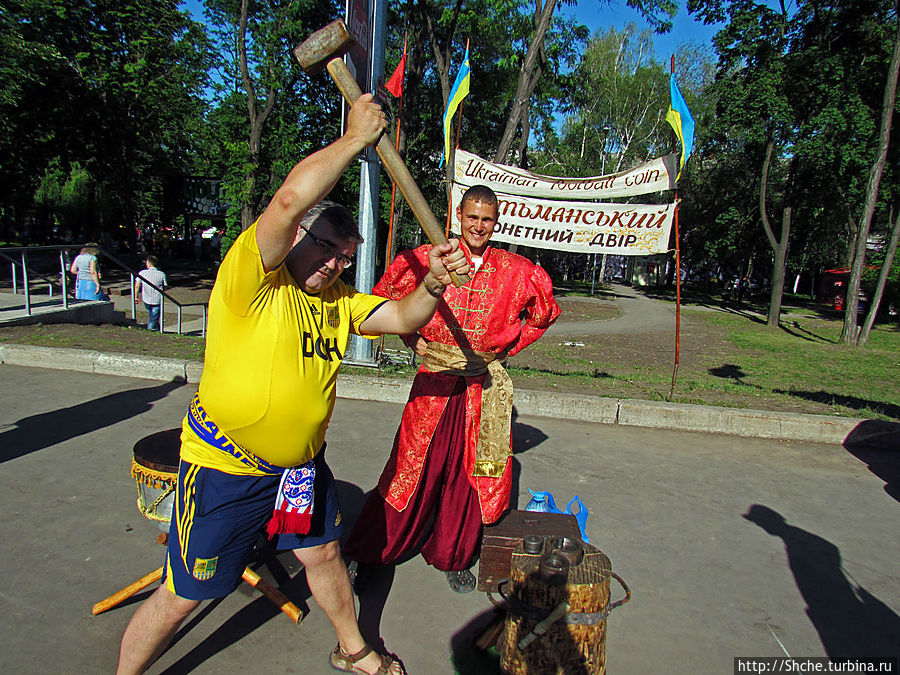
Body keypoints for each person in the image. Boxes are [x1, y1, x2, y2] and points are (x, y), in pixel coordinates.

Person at [115, 94, 469, 675]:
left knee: (324, 553)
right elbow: (286, 201)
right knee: (187, 594)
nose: (333, 263)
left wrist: (432, 281)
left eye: (344, 255)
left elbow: (405, 318)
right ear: (297, 238)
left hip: (299, 471)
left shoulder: (340, 302)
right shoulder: (251, 280)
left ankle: (353, 650)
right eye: (324, 247)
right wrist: (355, 141)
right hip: (226, 468)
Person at [344, 184, 560, 593]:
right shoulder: (429, 259)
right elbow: (382, 299)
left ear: (497, 221)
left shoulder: (517, 270)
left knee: (467, 474)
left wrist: (504, 348)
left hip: (481, 387)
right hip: (433, 382)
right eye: (472, 216)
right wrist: (411, 338)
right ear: (458, 215)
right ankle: (370, 549)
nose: (479, 225)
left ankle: (452, 555)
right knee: (409, 468)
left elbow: (544, 313)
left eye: (487, 218)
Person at [134, 255, 168, 331]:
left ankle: (155, 329)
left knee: (153, 316)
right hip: (158, 299)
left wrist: (136, 296)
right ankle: (151, 330)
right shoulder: (161, 274)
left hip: (146, 298)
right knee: (154, 317)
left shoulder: (142, 273)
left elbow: (137, 285)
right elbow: (165, 286)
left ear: (149, 263)